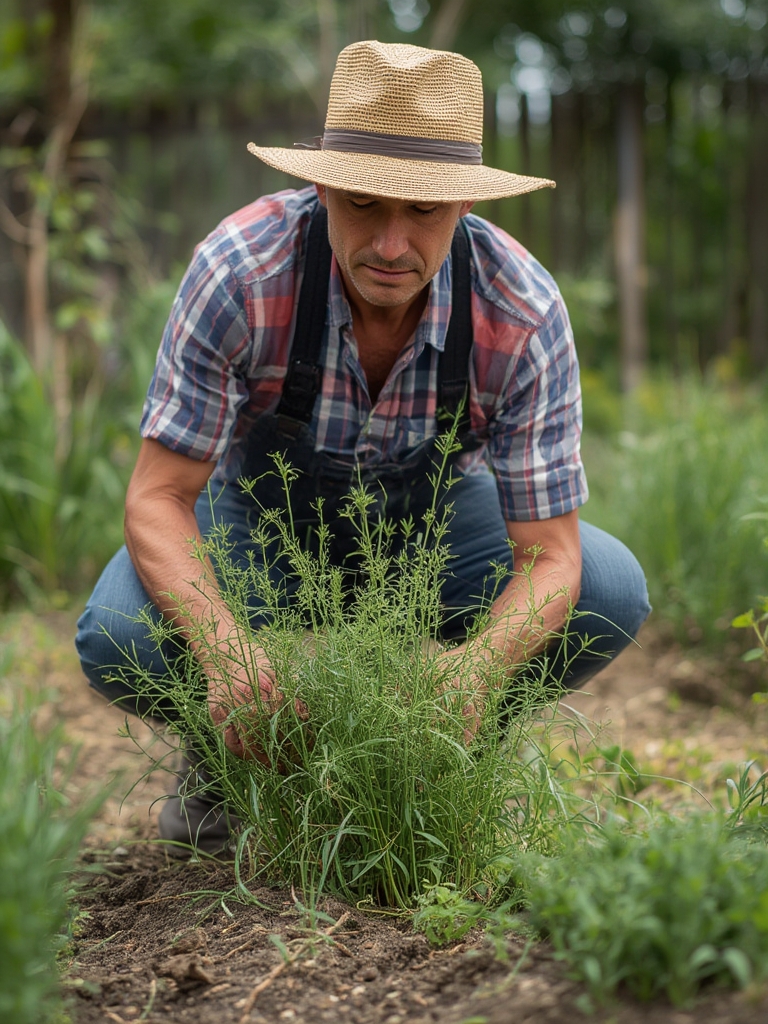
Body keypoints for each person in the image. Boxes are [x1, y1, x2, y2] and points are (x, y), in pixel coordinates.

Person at [76, 40, 650, 856]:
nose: (388, 244)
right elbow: (157, 496)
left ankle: (454, 747)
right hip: (260, 521)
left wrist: (478, 669)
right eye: (362, 203)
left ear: (464, 203)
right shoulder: (241, 271)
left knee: (611, 590)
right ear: (320, 186)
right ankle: (225, 759)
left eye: (422, 212)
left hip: (433, 531)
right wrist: (226, 652)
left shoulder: (521, 309)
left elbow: (551, 556)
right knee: (119, 635)